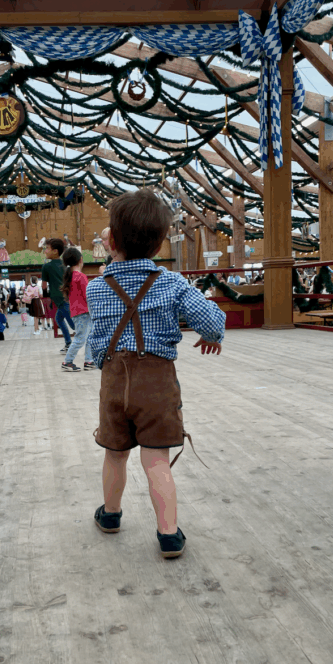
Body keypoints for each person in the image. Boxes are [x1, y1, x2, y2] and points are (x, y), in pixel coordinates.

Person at [86, 189, 225, 559]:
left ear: (111, 241)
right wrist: (212, 336)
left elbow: (96, 342)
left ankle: (111, 515)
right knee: (155, 459)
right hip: (157, 380)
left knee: (115, 453)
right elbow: (212, 320)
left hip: (114, 379)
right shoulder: (172, 283)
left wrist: (109, 364)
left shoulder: (98, 287)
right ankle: (168, 534)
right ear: (160, 242)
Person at [60, 246, 96, 372]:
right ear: (81, 260)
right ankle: (68, 361)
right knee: (81, 339)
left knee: (89, 337)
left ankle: (89, 361)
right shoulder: (80, 277)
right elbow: (88, 295)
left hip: (76, 312)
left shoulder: (70, 277)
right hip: (84, 312)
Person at [41, 237, 75, 353]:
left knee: (75, 326)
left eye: (47, 248)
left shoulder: (46, 267)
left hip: (60, 299)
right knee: (59, 319)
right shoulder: (66, 265)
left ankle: (82, 344)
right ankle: (68, 343)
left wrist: (47, 296)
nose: (45, 251)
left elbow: (44, 286)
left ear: (55, 251)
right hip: (67, 297)